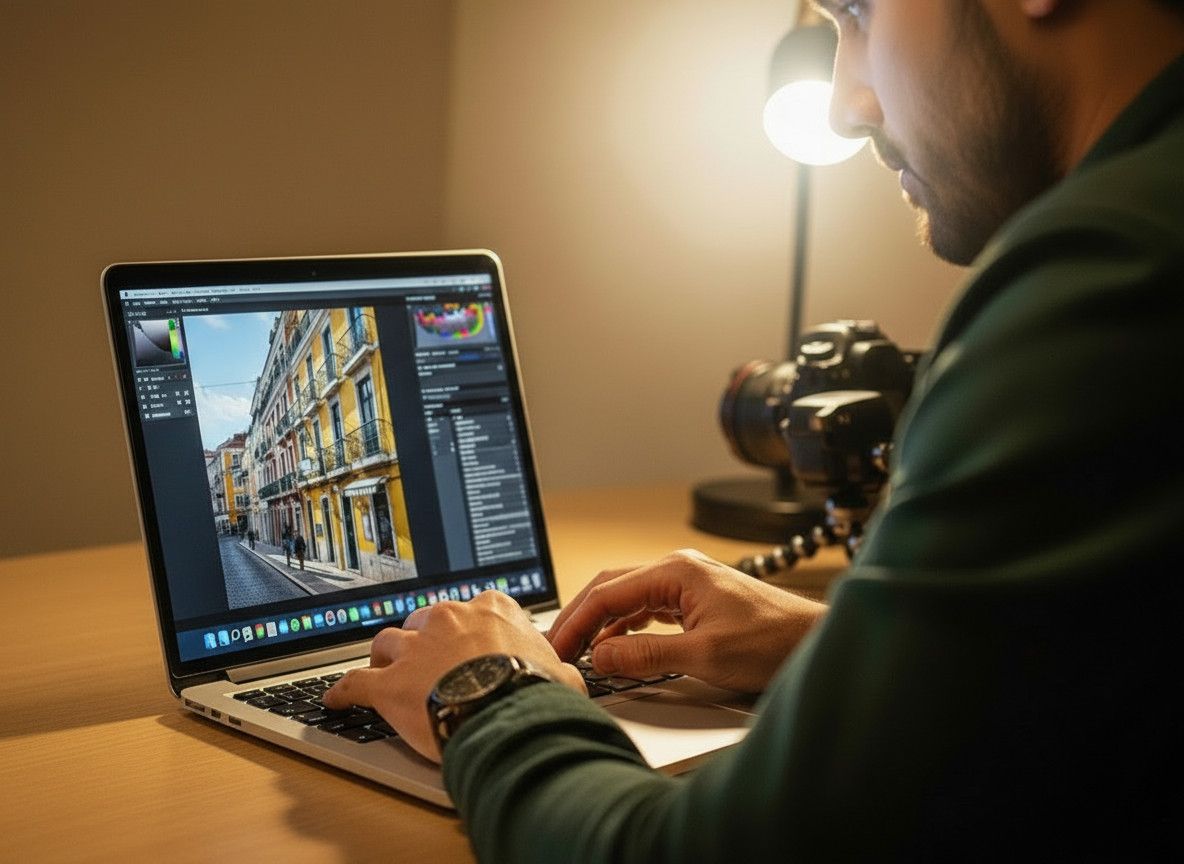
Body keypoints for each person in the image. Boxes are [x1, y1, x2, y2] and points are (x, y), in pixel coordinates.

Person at [326, 2, 1184, 859]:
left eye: (858, 11)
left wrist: (485, 691)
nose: (847, 101)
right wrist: (836, 646)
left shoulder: (1104, 286)